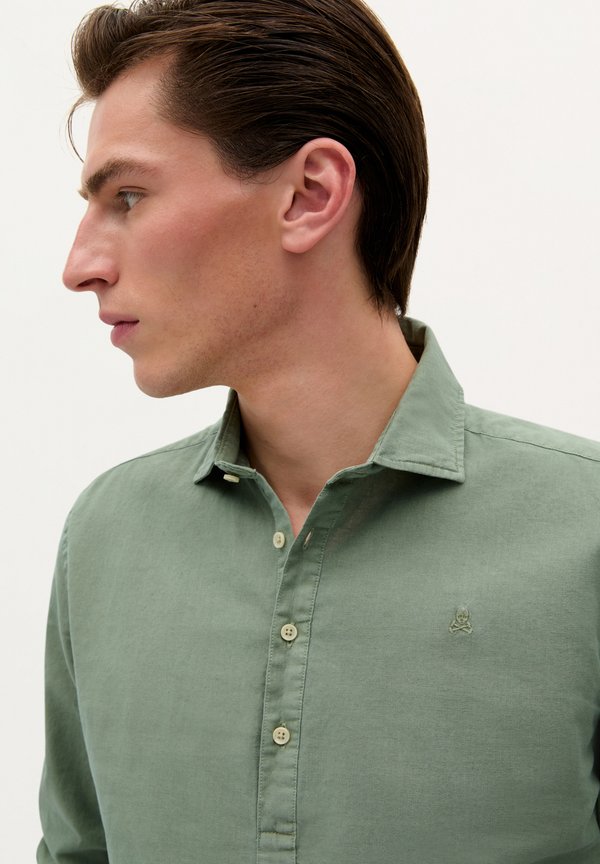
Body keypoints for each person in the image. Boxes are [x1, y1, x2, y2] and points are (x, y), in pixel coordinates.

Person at [37, 1, 600, 862]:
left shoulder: (586, 534)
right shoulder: (106, 538)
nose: (81, 266)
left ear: (310, 196)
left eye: (130, 196)